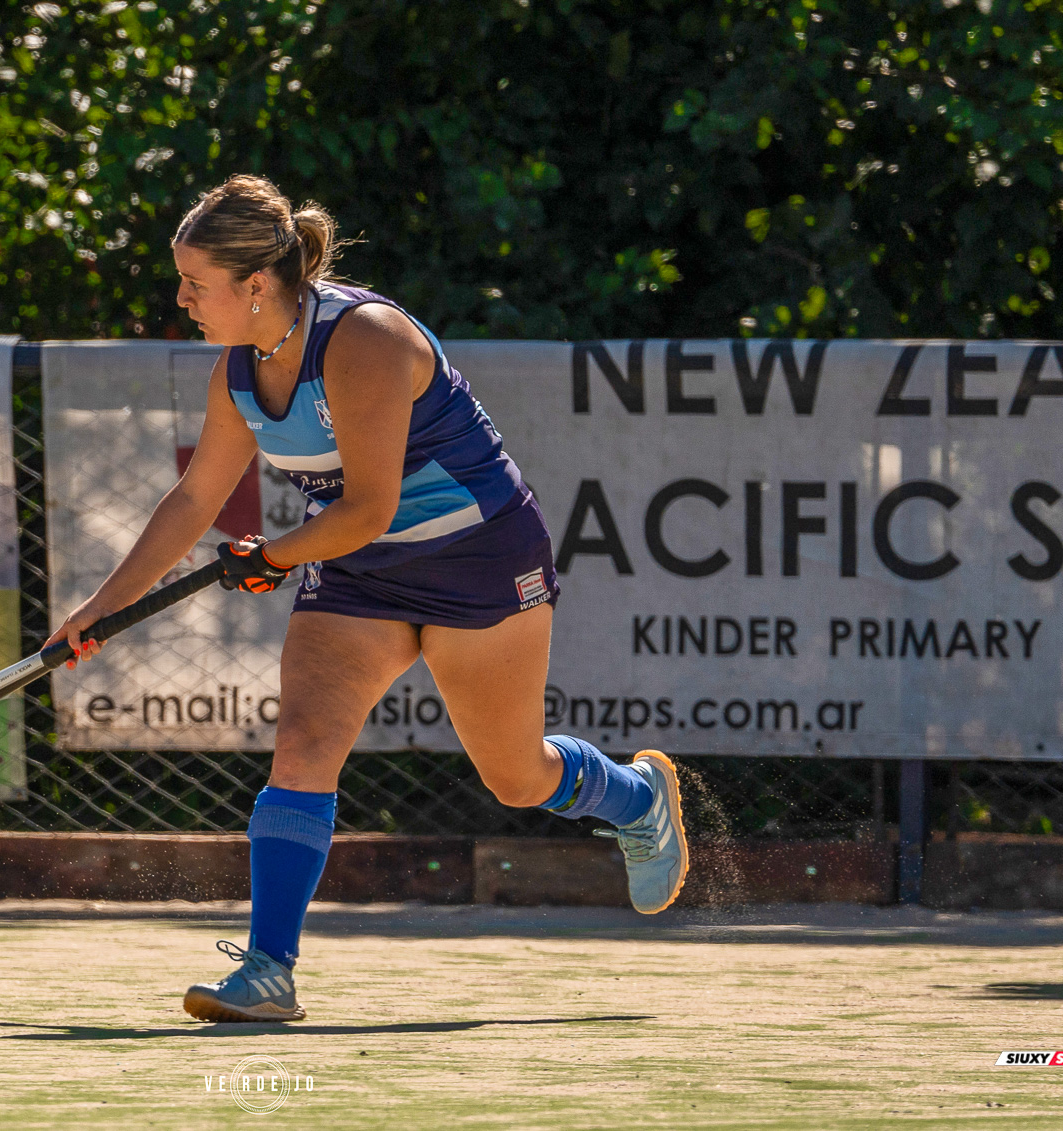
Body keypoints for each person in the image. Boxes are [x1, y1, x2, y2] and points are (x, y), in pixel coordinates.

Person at [47, 175, 689, 1023]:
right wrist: (98, 608)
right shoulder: (239, 373)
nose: (182, 299)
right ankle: (268, 970)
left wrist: (271, 554)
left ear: (255, 285)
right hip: (357, 570)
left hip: (478, 559)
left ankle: (635, 797)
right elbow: (195, 501)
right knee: (304, 744)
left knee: (516, 775)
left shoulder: (365, 339)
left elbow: (369, 506)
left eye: (194, 284)